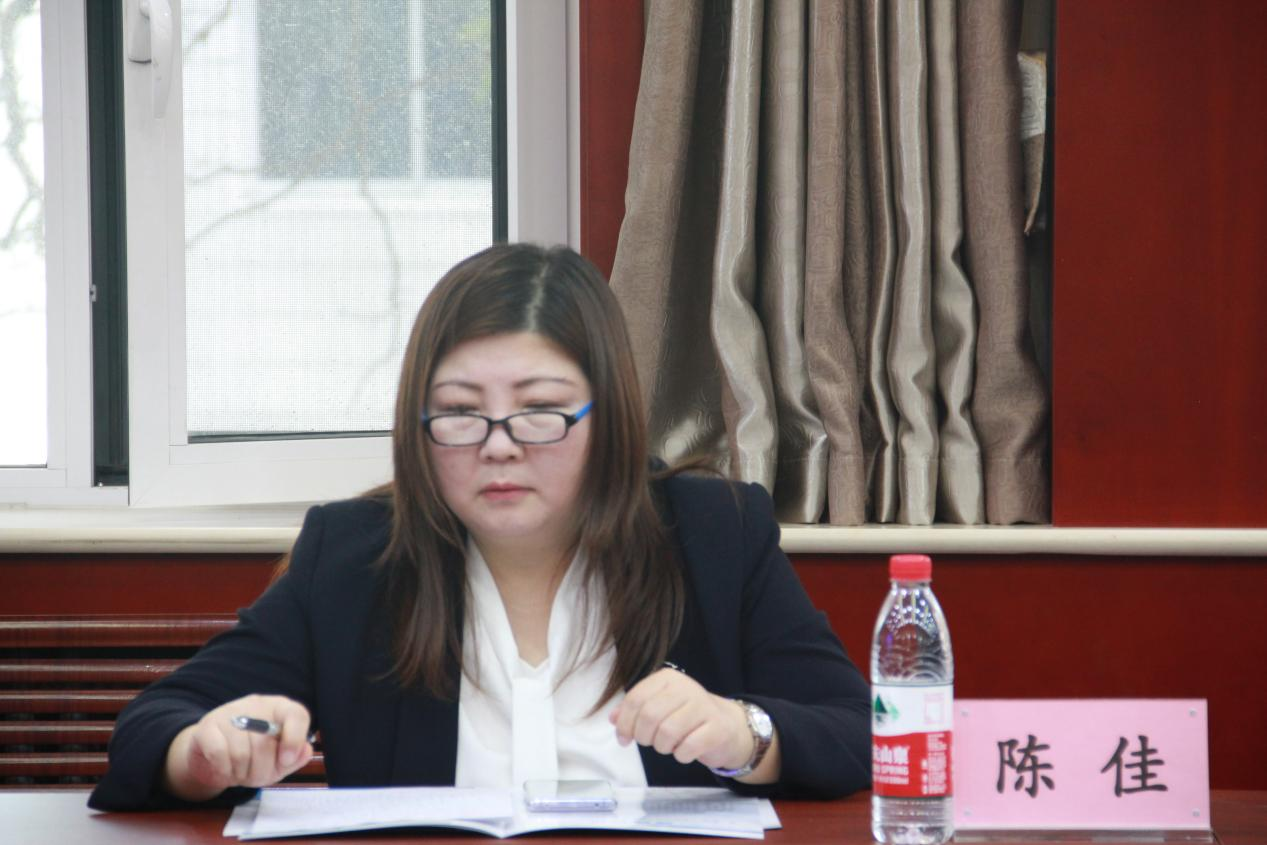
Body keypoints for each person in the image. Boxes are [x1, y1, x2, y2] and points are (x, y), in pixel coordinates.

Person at [89, 243, 871, 810]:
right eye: (460, 412)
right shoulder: (356, 557)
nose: (499, 445)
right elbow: (151, 729)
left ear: (608, 415)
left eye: (539, 409)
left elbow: (859, 730)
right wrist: (207, 752)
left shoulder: (714, 534)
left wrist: (743, 732)